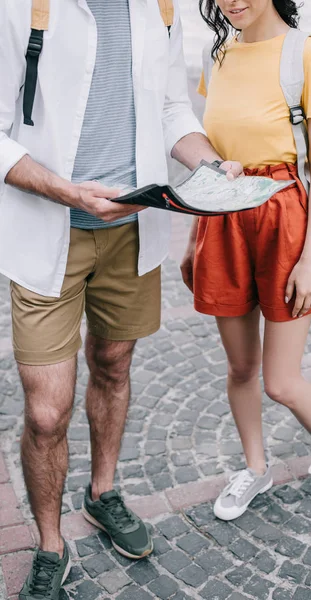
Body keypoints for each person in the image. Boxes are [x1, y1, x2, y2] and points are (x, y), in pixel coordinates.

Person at [0, 0, 243, 597]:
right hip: (46, 236)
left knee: (113, 364)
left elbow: (170, 107)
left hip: (134, 229)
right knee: (46, 412)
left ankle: (103, 492)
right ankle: (51, 545)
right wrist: (67, 191)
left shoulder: (158, 8)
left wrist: (211, 165)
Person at [181, 0, 311, 521]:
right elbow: (212, 154)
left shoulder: (308, 54)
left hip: (285, 221)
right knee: (240, 366)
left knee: (280, 380)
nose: (230, 0)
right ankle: (256, 467)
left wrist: (310, 259)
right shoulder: (216, 54)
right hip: (224, 222)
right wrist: (196, 242)